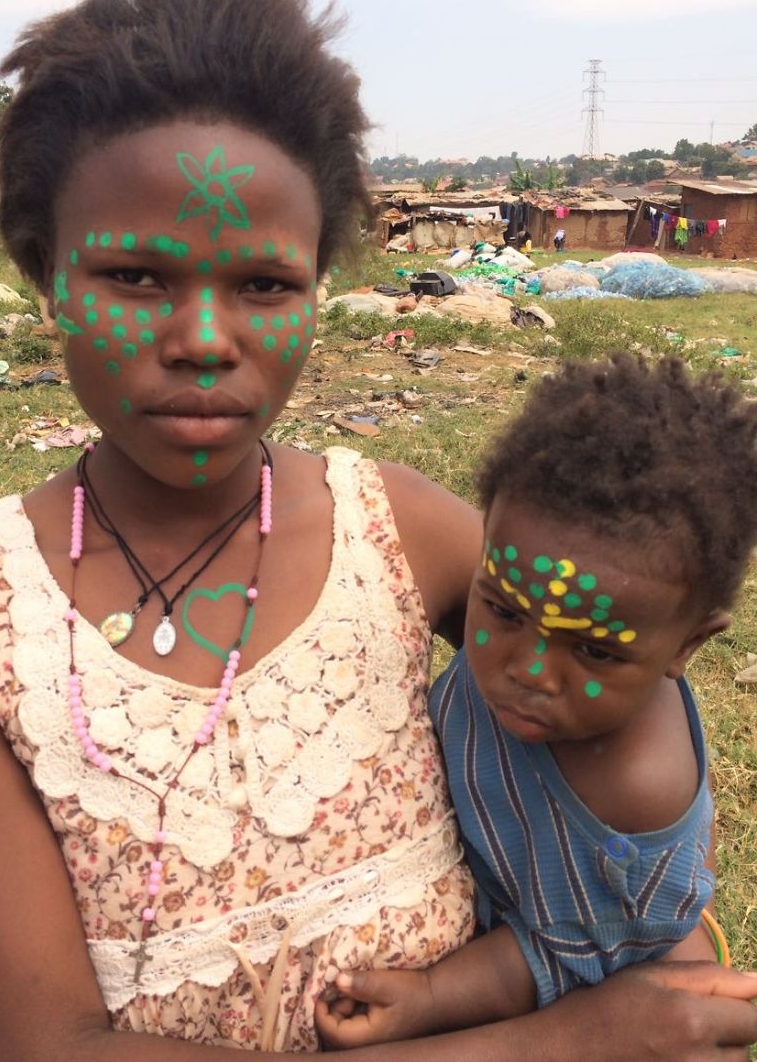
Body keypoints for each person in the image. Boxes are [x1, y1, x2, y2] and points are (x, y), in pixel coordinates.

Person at [0, 0, 755, 1062]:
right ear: (46, 273)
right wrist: (562, 1039)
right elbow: (24, 1046)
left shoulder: (400, 533)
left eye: (264, 285)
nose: (202, 340)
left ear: (319, 285)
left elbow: (614, 652)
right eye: (135, 277)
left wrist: (643, 928)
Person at [316, 353, 757, 1047]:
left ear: (687, 647)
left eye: (596, 651)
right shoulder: (529, 614)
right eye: (503, 610)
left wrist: (432, 995)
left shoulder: (634, 792)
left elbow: (560, 949)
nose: (528, 668)